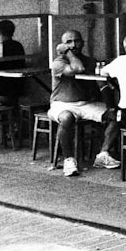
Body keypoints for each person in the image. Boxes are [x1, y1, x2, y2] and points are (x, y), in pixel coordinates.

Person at [49, 30, 112, 176]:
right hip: (62, 104)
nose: (73, 45)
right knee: (66, 118)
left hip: (85, 104)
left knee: (115, 116)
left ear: (83, 43)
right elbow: (78, 69)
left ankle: (103, 154)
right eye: (68, 42)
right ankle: (69, 160)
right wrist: (69, 54)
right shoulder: (59, 62)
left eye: (77, 41)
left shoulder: (90, 61)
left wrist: (110, 105)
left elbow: (100, 83)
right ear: (62, 46)